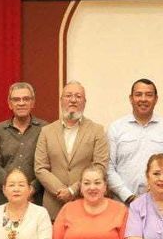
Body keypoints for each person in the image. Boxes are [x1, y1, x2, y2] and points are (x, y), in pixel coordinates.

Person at [34, 81, 109, 219]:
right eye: (68, 96)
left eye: (78, 96)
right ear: (61, 100)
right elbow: (40, 167)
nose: (73, 100)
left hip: (86, 202)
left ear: (85, 102)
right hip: (53, 204)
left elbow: (100, 166)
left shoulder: (97, 130)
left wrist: (73, 190)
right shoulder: (46, 131)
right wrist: (61, 191)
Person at [107, 79, 163, 203]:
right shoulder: (116, 128)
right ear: (131, 98)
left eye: (149, 95)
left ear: (156, 99)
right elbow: (108, 168)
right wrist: (128, 196)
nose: (143, 99)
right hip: (123, 204)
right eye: (138, 94)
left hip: (160, 204)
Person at [0, 82, 47, 207]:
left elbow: (48, 165)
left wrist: (31, 189)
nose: (21, 103)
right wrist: (12, 188)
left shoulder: (45, 129)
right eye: (16, 99)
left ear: (33, 103)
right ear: (10, 104)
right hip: (2, 199)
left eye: (26, 99)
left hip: (35, 200)